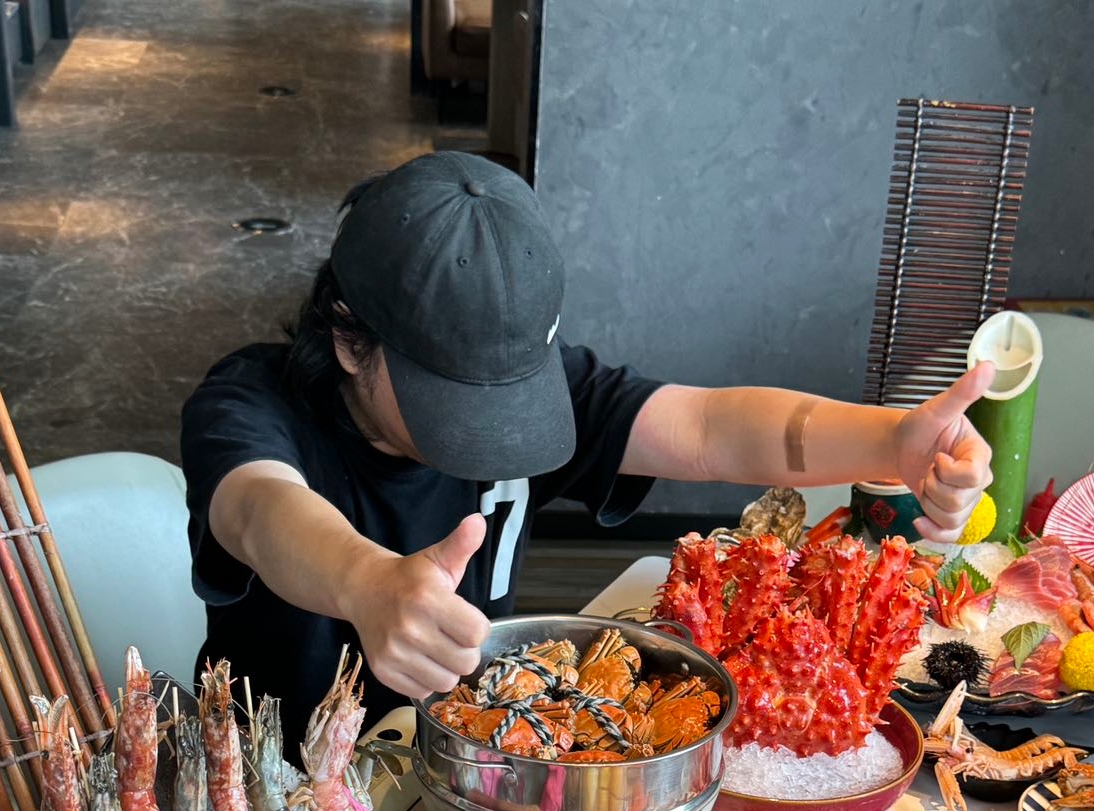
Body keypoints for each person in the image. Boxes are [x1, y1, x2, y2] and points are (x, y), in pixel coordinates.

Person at [182, 152, 994, 754]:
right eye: (454, 397)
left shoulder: (536, 382)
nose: (488, 431)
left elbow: (708, 427)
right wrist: (365, 583)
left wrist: (891, 439)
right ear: (349, 337)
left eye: (503, 396)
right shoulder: (248, 404)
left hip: (472, 759)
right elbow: (259, 509)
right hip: (268, 796)